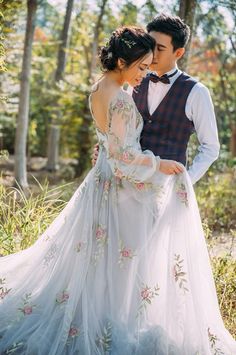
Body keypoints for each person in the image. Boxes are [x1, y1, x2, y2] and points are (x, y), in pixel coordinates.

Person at [0, 26, 235, 355]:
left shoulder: (107, 86)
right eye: (143, 63)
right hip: (123, 188)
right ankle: (108, 326)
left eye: (156, 54)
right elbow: (124, 155)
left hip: (118, 189)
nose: (147, 69)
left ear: (178, 52)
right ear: (125, 60)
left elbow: (209, 148)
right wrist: (157, 166)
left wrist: (180, 185)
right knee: (118, 264)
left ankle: (107, 320)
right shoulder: (125, 94)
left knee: (109, 263)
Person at [92, 14, 220, 185]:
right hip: (127, 186)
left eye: (160, 48)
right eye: (151, 46)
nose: (152, 53)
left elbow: (211, 148)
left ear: (179, 52)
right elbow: (120, 132)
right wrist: (105, 152)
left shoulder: (197, 92)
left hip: (167, 190)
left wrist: (186, 181)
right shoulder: (134, 81)